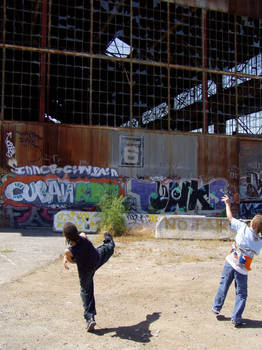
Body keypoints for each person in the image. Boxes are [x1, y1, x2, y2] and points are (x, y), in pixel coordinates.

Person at [212, 194, 262, 327]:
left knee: (224, 285)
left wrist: (227, 204)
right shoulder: (258, 243)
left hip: (230, 261)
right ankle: (236, 317)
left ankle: (216, 307)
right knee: (241, 294)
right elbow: (256, 252)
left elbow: (230, 218)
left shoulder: (242, 227)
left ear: (251, 223)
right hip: (242, 269)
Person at [63, 222, 115, 332]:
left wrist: (66, 258)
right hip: (96, 258)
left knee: (86, 292)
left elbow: (72, 260)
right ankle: (108, 238)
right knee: (109, 248)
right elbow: (83, 235)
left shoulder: (69, 251)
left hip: (85, 270)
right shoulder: (83, 236)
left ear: (65, 236)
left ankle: (90, 318)